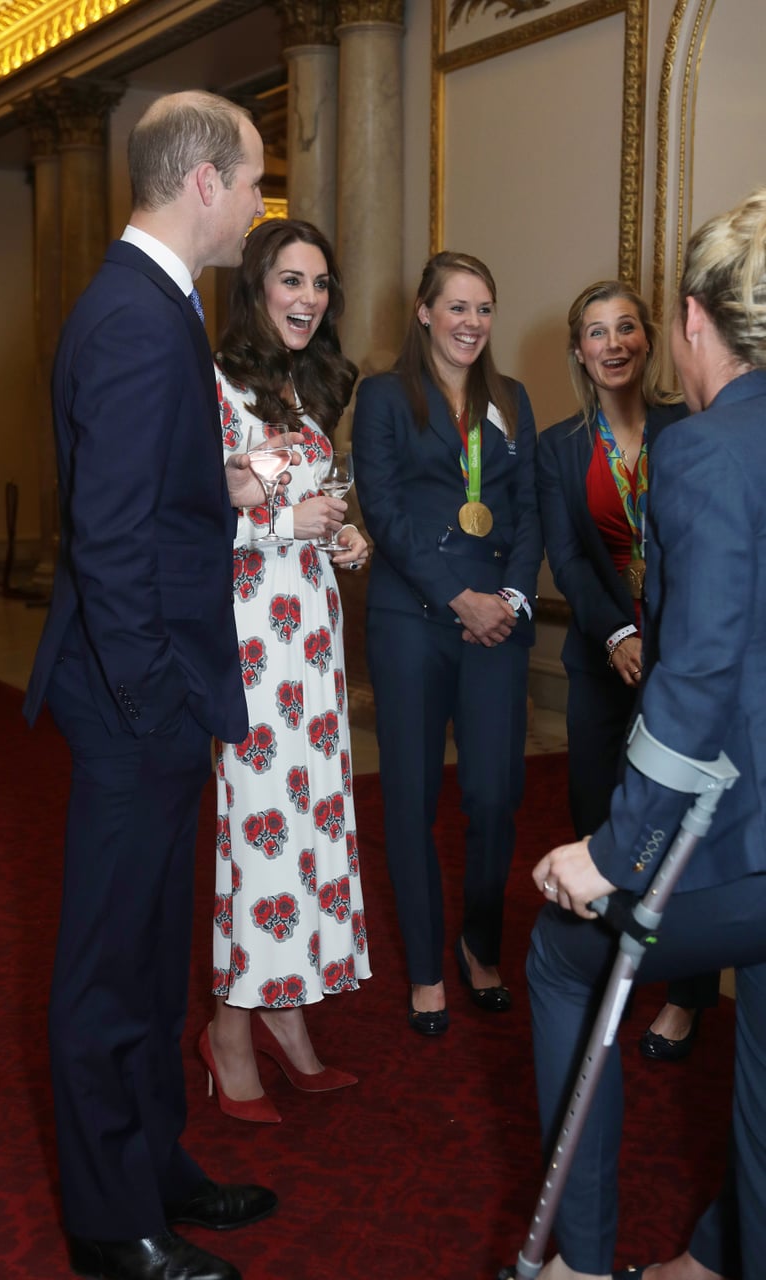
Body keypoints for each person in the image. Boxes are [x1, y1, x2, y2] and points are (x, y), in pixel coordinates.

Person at [23, 92, 280, 1280]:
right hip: (140, 695)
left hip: (160, 689)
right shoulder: (135, 317)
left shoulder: (156, 303)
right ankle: (106, 1217)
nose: (262, 206)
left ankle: (154, 1162)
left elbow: (152, 497)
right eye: (256, 180)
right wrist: (157, 701)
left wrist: (216, 479)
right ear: (204, 183)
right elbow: (113, 540)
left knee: (153, 944)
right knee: (109, 967)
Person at [526, 187, 766, 1280]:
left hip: (748, 831)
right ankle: (724, 1250)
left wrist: (612, 853)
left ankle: (577, 1258)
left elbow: (702, 671)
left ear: (688, 320)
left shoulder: (707, 451)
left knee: (561, 955)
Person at [200, 218, 371, 1123]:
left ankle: (291, 1017)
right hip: (253, 645)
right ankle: (230, 1028)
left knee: (312, 824)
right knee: (261, 829)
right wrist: (276, 526)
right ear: (258, 286)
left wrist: (339, 530)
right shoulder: (218, 384)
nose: (308, 299)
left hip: (311, 639)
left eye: (320, 284)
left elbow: (305, 502)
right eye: (291, 280)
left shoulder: (302, 392)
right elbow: (189, 514)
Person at [352, 250, 541, 1034]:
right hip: (413, 619)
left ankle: (480, 944)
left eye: (484, 308)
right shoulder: (385, 398)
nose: (471, 322)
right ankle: (427, 968)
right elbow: (384, 509)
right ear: (425, 312)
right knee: (411, 797)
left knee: (496, 795)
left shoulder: (512, 399)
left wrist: (510, 598)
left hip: (496, 621)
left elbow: (530, 509)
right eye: (456, 306)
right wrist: (455, 594)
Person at [537, 280, 718, 1061]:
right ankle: (606, 966)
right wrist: (614, 632)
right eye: (596, 332)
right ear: (578, 350)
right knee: (596, 811)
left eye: (626, 329)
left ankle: (686, 994)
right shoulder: (559, 446)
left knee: (680, 828)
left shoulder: (691, 426)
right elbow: (568, 557)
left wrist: (668, 640)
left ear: (651, 339)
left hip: (682, 657)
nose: (613, 344)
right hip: (600, 656)